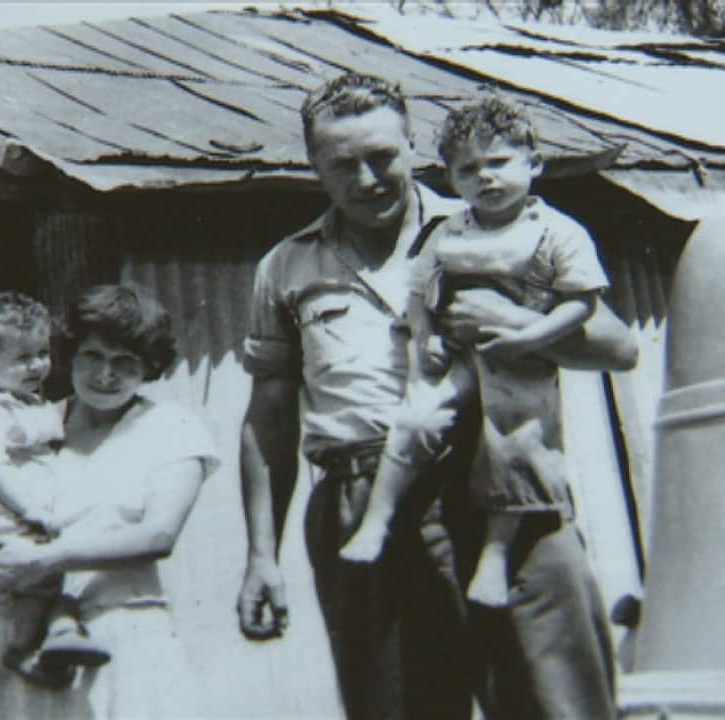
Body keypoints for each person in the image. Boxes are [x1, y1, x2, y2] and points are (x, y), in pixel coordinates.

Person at [236, 73, 636, 720]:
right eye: (343, 165)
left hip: (500, 483)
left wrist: (511, 324)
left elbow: (619, 347)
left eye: (382, 157)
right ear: (314, 167)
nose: (368, 179)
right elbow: (269, 417)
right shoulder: (287, 267)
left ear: (412, 146)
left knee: (558, 703)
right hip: (365, 494)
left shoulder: (494, 220)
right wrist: (261, 556)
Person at [340, 96, 612, 612]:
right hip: (460, 355)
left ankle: (496, 555)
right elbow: (420, 294)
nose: (485, 178)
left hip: (523, 359)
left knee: (513, 443)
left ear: (534, 163)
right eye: (468, 169)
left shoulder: (558, 232)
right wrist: (427, 337)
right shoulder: (449, 231)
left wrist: (529, 338)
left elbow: (581, 303)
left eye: (499, 163)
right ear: (451, 178)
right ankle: (376, 520)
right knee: (417, 416)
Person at [0, 284, 219, 719]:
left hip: (122, 630)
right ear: (71, 354)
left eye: (125, 363)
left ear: (149, 369)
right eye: (93, 356)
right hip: (23, 635)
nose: (105, 375)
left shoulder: (172, 428)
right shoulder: (33, 423)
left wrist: (45, 559)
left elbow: (158, 535)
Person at [0, 290, 111, 688]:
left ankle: (60, 631)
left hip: (14, 519)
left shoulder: (21, 401)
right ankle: (23, 650)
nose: (38, 366)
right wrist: (31, 511)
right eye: (23, 358)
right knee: (41, 572)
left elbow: (55, 419)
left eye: (42, 352)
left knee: (58, 569)